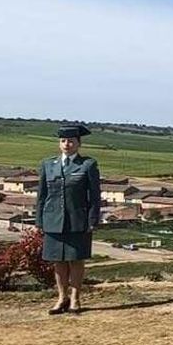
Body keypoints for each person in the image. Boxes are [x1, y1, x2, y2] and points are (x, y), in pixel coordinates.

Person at [36, 125, 102, 314]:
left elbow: (95, 196)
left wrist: (92, 220)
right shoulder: (48, 165)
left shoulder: (88, 165)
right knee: (58, 261)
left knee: (76, 260)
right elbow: (42, 195)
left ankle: (75, 298)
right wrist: (39, 220)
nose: (67, 144)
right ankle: (61, 297)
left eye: (71, 141)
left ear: (79, 144)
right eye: (63, 141)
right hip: (53, 220)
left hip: (77, 220)